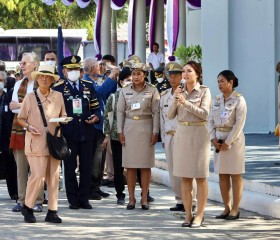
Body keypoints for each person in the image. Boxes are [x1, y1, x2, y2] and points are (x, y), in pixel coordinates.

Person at [17, 65, 64, 223]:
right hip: (35, 142)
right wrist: (29, 127)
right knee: (37, 175)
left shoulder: (58, 96)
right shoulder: (30, 97)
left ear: (52, 80)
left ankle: (52, 210)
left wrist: (63, 120)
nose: (44, 79)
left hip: (54, 142)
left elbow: (64, 115)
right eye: (41, 76)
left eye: (47, 76)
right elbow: (20, 118)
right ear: (37, 79)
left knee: (54, 178)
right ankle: (28, 207)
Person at [167, 60, 211, 228]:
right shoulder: (180, 91)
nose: (185, 74)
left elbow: (204, 114)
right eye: (184, 71)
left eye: (189, 71)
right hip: (182, 134)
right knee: (185, 177)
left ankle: (200, 214)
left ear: (197, 74)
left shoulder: (204, 92)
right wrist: (175, 99)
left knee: (200, 177)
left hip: (199, 134)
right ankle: (188, 214)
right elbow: (170, 115)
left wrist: (186, 103)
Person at [53, 55, 100, 210]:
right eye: (70, 69)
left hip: (87, 132)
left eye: (76, 69)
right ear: (64, 71)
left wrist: (96, 117)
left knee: (87, 167)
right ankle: (73, 199)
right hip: (68, 133)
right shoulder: (58, 88)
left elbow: (96, 108)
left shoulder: (88, 86)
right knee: (70, 167)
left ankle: (84, 198)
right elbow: (55, 112)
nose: (73, 72)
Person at [117, 62, 160, 210]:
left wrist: (155, 132)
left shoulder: (152, 91)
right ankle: (131, 198)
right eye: (133, 74)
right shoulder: (124, 91)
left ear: (145, 75)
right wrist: (119, 131)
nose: (135, 77)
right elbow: (120, 112)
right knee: (130, 166)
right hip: (129, 128)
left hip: (146, 127)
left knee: (145, 165)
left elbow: (156, 112)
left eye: (139, 73)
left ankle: (144, 198)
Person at [208, 70, 247, 220]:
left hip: (234, 141)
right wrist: (213, 139)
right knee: (222, 174)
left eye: (222, 81)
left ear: (231, 82)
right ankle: (226, 207)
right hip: (218, 140)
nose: (219, 84)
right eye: (218, 81)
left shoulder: (239, 100)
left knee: (235, 175)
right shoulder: (216, 99)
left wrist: (228, 142)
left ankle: (236, 209)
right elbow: (210, 120)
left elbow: (239, 123)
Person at [9, 52, 45, 213]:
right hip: (19, 129)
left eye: (25, 63)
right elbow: (12, 108)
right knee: (21, 169)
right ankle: (22, 200)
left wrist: (21, 105)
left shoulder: (42, 83)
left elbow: (41, 107)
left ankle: (37, 200)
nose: (21, 65)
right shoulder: (18, 84)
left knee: (36, 169)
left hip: (37, 130)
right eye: (21, 63)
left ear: (35, 65)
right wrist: (25, 105)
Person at [83, 57, 118, 200]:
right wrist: (111, 75)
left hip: (101, 125)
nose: (101, 68)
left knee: (100, 158)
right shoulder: (87, 82)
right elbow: (101, 92)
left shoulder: (97, 79)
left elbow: (110, 92)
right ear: (92, 69)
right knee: (94, 159)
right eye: (98, 66)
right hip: (93, 125)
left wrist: (113, 76)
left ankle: (96, 186)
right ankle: (91, 188)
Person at [103, 67, 132, 205]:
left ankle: (145, 193)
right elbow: (107, 116)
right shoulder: (113, 96)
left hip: (135, 135)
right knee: (118, 165)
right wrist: (107, 135)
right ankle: (120, 193)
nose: (131, 82)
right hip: (116, 136)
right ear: (120, 82)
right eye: (127, 80)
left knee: (138, 165)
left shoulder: (139, 95)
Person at [160, 62, 184, 211]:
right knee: (173, 170)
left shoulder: (185, 94)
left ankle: (191, 199)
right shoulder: (165, 95)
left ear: (182, 76)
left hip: (183, 136)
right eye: (170, 75)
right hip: (169, 136)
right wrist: (163, 138)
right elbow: (163, 119)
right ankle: (179, 200)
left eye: (176, 75)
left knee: (186, 169)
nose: (172, 78)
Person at [0, 71, 18, 200]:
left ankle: (14, 192)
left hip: (6, 137)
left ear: (5, 82)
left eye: (1, 80)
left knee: (10, 165)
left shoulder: (9, 97)